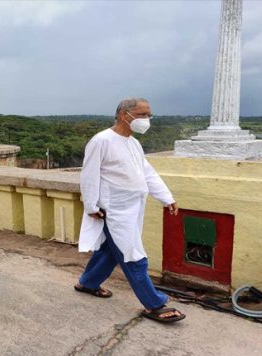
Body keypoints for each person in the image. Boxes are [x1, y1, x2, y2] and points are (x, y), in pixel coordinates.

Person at [75, 98, 186, 323]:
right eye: (143, 114)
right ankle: (154, 304)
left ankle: (87, 283)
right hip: (113, 210)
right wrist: (91, 206)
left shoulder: (133, 143)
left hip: (132, 208)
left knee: (109, 251)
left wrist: (167, 197)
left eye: (148, 115)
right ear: (125, 115)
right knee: (133, 256)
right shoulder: (101, 141)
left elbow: (147, 173)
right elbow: (89, 175)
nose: (147, 119)